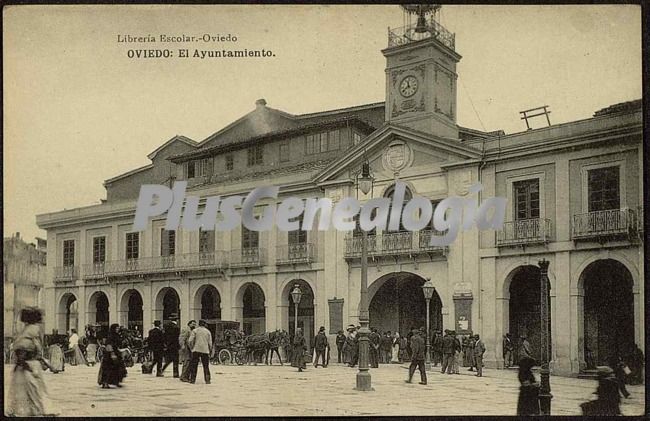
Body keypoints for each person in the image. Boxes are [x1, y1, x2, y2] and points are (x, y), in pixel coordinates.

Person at [6, 307, 58, 416]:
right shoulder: (29, 334)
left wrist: (44, 363)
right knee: (31, 391)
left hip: (32, 366)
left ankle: (37, 410)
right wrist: (26, 366)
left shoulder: (29, 333)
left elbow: (36, 353)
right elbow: (22, 353)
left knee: (36, 391)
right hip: (27, 368)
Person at [98, 323, 127, 389]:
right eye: (116, 328)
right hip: (109, 354)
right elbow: (108, 345)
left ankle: (116, 382)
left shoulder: (117, 335)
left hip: (116, 352)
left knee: (118, 368)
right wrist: (112, 354)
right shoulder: (110, 336)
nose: (117, 329)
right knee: (108, 369)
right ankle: (105, 383)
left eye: (118, 328)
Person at [188, 320, 213, 384]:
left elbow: (190, 340)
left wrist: (192, 348)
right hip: (205, 350)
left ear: (199, 324)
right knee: (206, 366)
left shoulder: (195, 331)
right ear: (204, 324)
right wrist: (210, 350)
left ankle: (192, 379)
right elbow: (210, 343)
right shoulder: (208, 331)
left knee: (194, 365)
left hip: (196, 350)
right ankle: (207, 380)